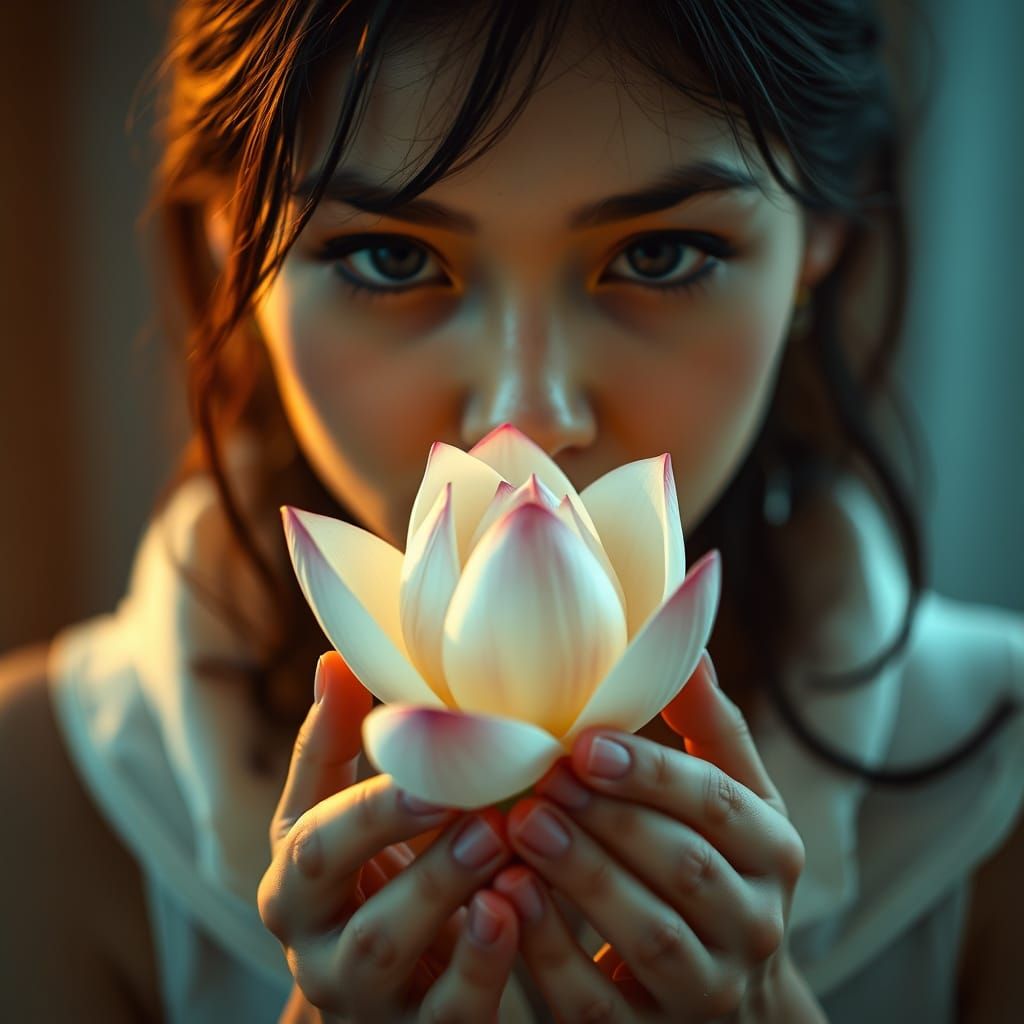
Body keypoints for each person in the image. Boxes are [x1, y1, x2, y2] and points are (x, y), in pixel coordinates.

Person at [1, 0, 1021, 1021]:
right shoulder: (41, 803)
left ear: (823, 238)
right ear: (233, 247)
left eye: (660, 254)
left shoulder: (997, 797)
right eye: (390, 257)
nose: (524, 419)